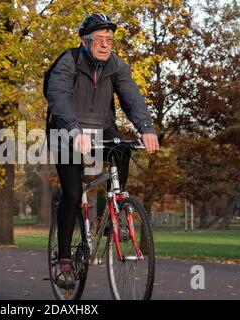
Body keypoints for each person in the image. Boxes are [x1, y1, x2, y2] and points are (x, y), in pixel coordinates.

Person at [46, 13, 159, 289]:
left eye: (109, 39)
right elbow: (58, 95)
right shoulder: (68, 61)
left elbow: (131, 96)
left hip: (100, 126)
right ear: (86, 41)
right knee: (73, 193)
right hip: (65, 129)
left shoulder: (117, 66)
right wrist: (74, 130)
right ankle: (63, 259)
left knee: (122, 149)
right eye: (99, 39)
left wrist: (146, 126)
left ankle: (116, 211)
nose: (106, 44)